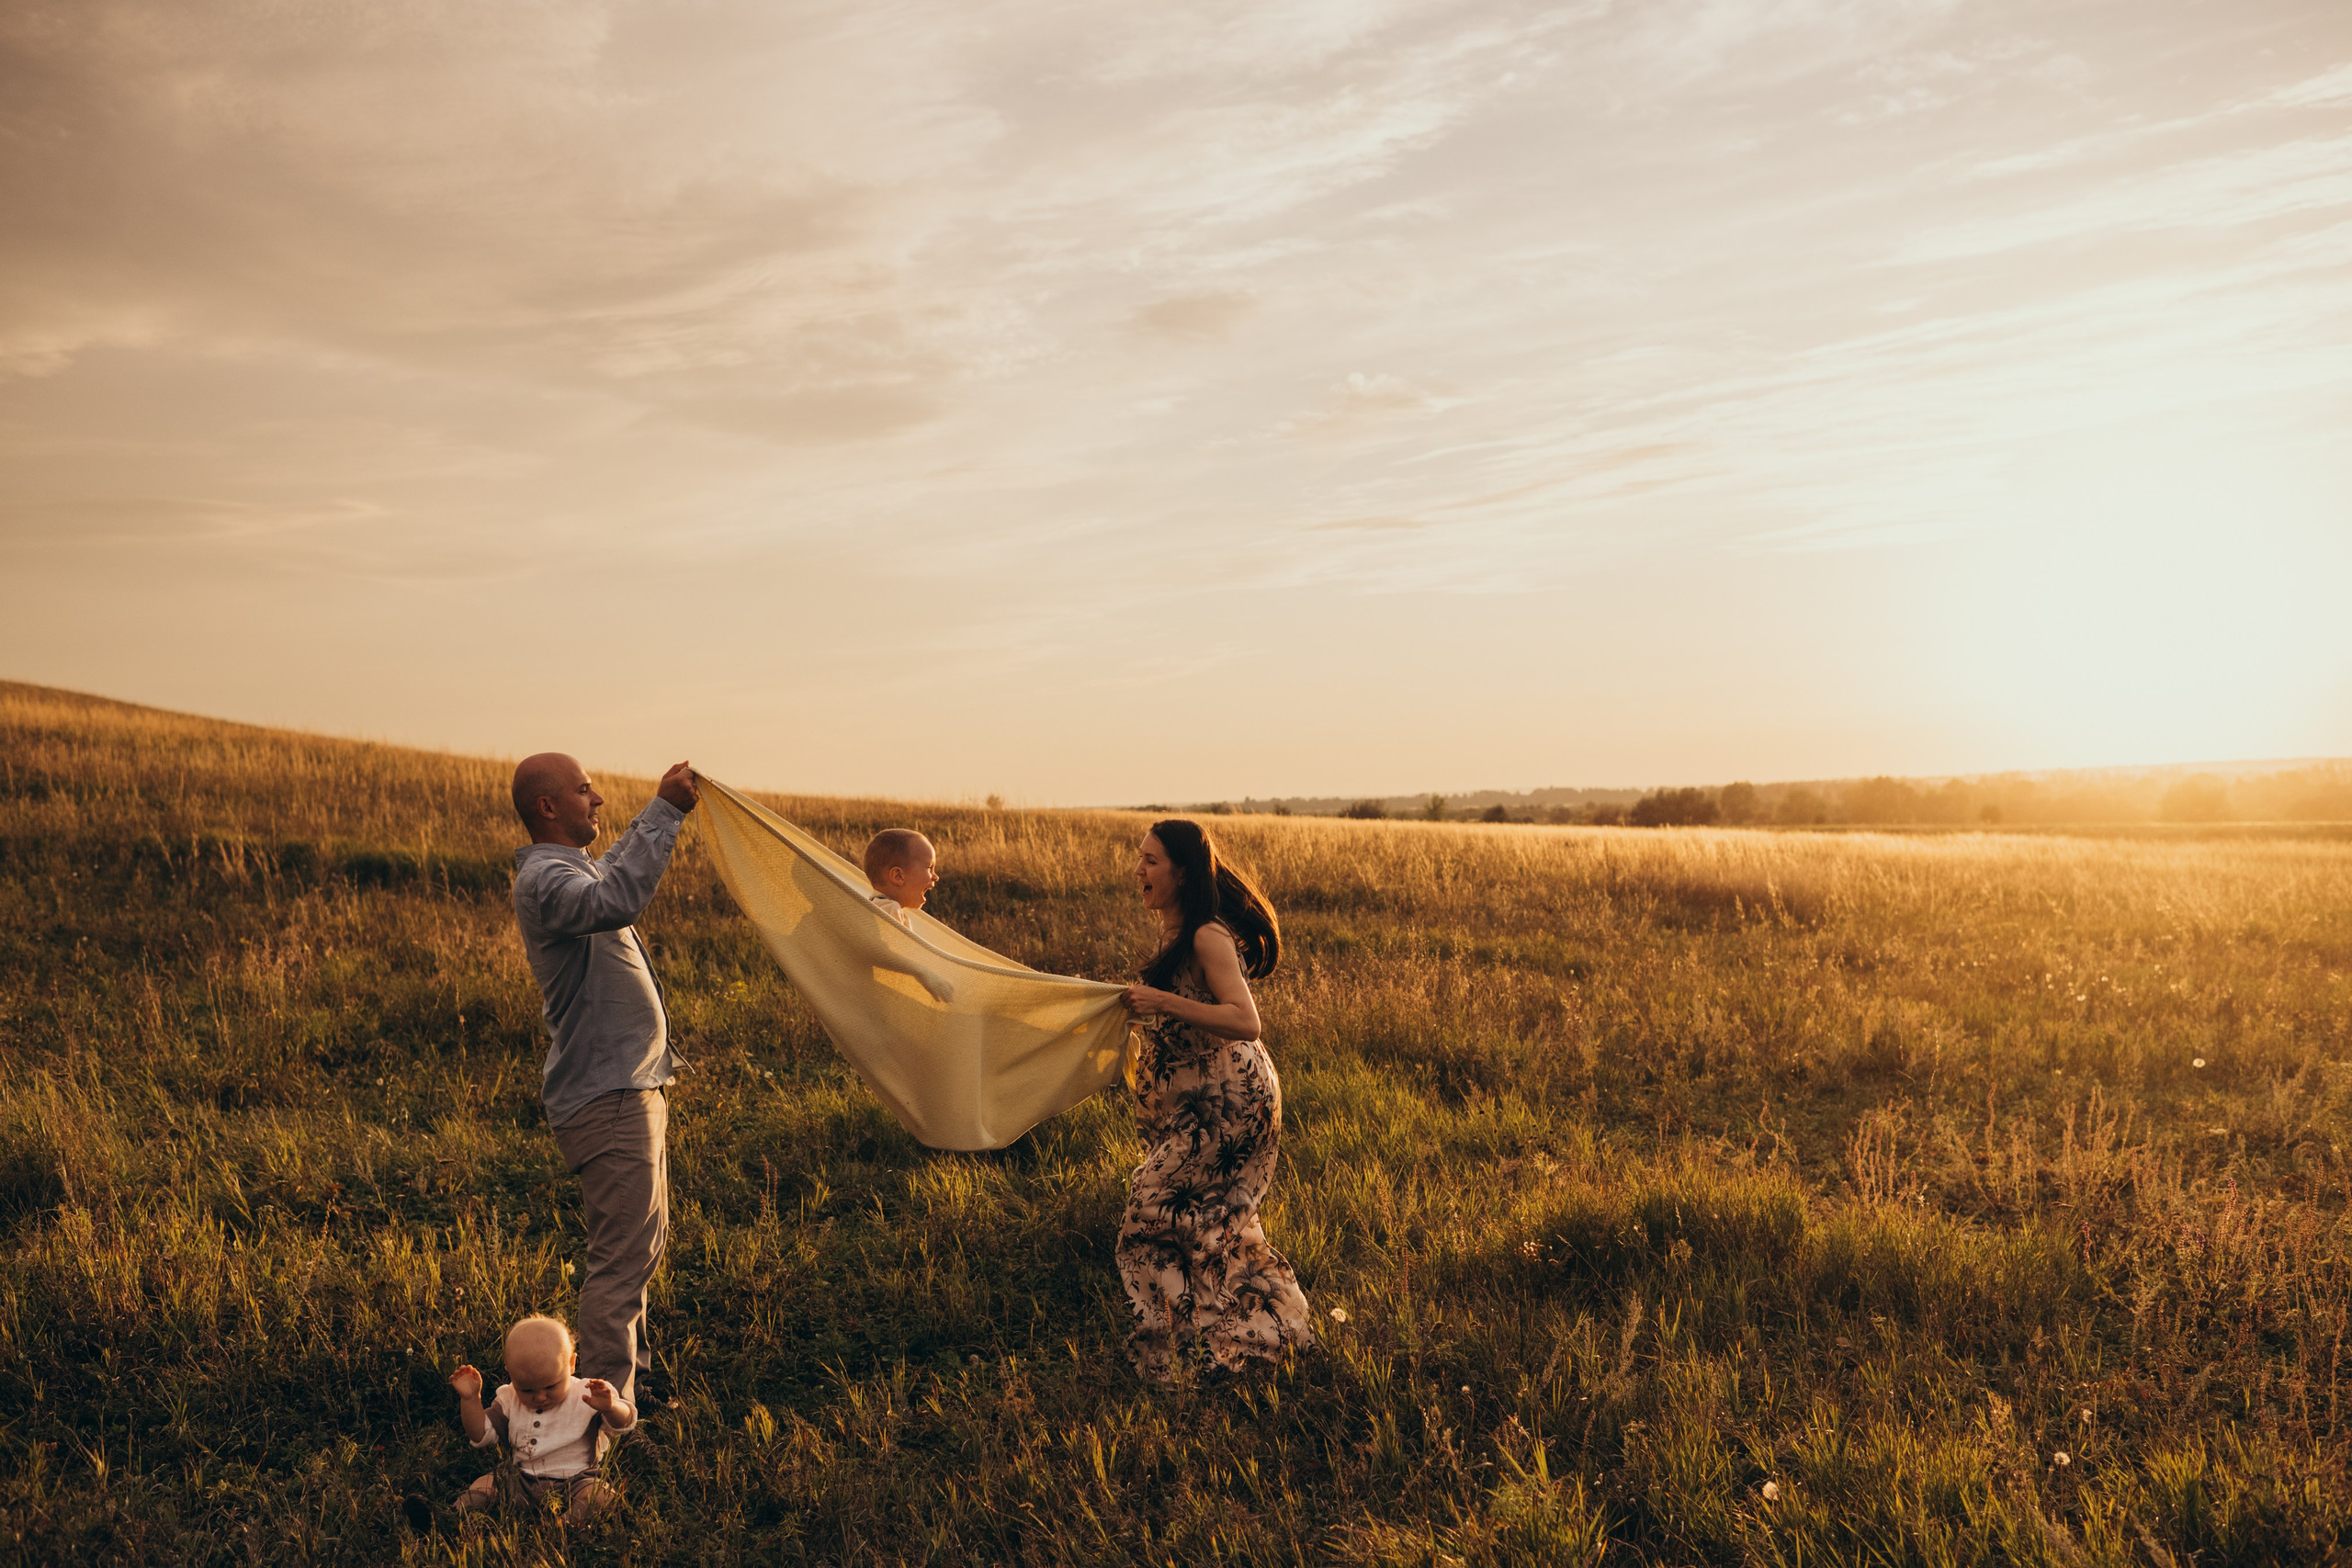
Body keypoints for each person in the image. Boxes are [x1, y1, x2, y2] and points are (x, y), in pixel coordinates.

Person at [509, 752, 698, 1412]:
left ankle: (629, 1390)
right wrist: (665, 810)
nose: (598, 798)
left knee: (639, 1249)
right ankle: (604, 1417)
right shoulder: (545, 880)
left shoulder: (569, 869)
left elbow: (609, 876)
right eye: (584, 790)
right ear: (548, 808)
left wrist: (657, 817)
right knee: (621, 1259)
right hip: (608, 1096)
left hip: (629, 1088)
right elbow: (614, 897)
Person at [1118, 818, 1314, 1383]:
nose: (1140, 871)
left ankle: (1191, 1336)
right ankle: (1221, 1328)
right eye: (1140, 859)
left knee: (1153, 1205)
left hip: (1231, 1101)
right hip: (1202, 1103)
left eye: (1152, 861)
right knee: (1204, 1220)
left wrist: (1160, 1001)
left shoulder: (1206, 934)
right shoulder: (1175, 930)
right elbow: (1182, 1004)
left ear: (1181, 871)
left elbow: (1244, 1020)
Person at [449, 1315, 635, 1522]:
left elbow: (623, 1424)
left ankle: (566, 1526)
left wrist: (611, 1408)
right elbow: (480, 1434)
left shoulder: (589, 1393)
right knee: (485, 1484)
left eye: (550, 1386)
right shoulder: (509, 1398)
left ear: (571, 1364)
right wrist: (471, 1400)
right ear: (510, 1374)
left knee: (600, 1496)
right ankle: (451, 1515)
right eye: (526, 1389)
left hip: (577, 1481)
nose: (539, 1397)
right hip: (521, 1480)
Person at [862, 829, 939, 930]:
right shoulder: (890, 911)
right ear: (899, 876)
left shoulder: (872, 906)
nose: (936, 877)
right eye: (929, 868)